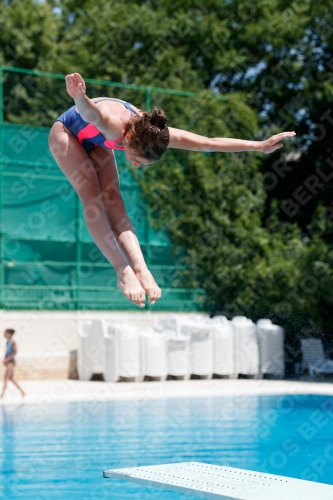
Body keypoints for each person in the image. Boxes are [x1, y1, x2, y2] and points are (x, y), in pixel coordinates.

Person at [48, 72, 296, 308]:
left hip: (94, 139)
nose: (134, 164)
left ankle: (140, 268)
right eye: (135, 159)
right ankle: (121, 270)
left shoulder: (157, 135)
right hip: (67, 133)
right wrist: (79, 96)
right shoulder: (114, 126)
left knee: (114, 200)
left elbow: (208, 143)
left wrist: (258, 146)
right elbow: (91, 113)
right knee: (93, 197)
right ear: (128, 139)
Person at [1, 329, 25, 399]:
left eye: (5, 333)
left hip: (11, 362)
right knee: (11, 378)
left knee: (6, 377)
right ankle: (22, 392)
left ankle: (2, 395)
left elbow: (15, 352)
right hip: (8, 362)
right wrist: (5, 359)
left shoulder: (13, 341)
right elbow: (7, 352)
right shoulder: (7, 342)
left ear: (9, 334)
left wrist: (7, 359)